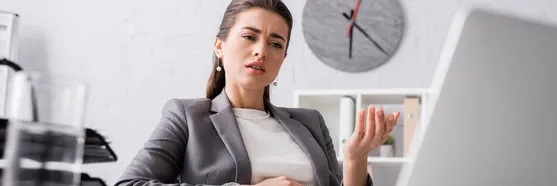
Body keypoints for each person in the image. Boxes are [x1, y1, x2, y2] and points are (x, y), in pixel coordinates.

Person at [115, 0, 400, 185]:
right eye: (249, 37)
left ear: (283, 58)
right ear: (219, 46)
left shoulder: (310, 122)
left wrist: (355, 158)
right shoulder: (187, 117)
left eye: (276, 44)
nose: (261, 51)